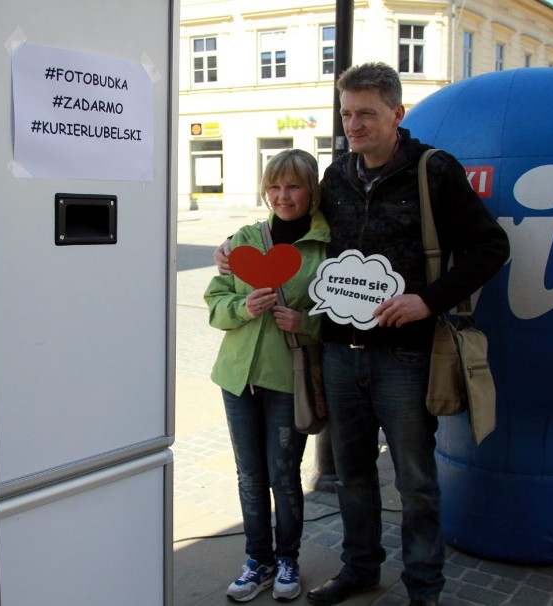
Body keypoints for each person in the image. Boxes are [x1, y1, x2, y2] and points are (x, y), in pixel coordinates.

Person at [214, 63, 510, 606]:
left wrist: (428, 299)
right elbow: (292, 223)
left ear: (397, 114)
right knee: (351, 474)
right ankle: (361, 569)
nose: (354, 124)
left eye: (367, 113)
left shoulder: (433, 171)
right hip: (337, 354)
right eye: (347, 113)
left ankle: (424, 587)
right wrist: (234, 248)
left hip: (404, 355)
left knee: (415, 481)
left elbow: (492, 247)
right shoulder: (337, 176)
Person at [205, 149, 331, 603]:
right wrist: (241, 307)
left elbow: (340, 315)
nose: (282, 196)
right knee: (249, 474)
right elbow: (216, 302)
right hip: (237, 377)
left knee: (283, 473)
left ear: (311, 189)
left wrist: (306, 324)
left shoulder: (324, 248)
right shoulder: (243, 239)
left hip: (288, 378)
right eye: (274, 186)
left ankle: (288, 557)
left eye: (293, 186)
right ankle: (257, 559)